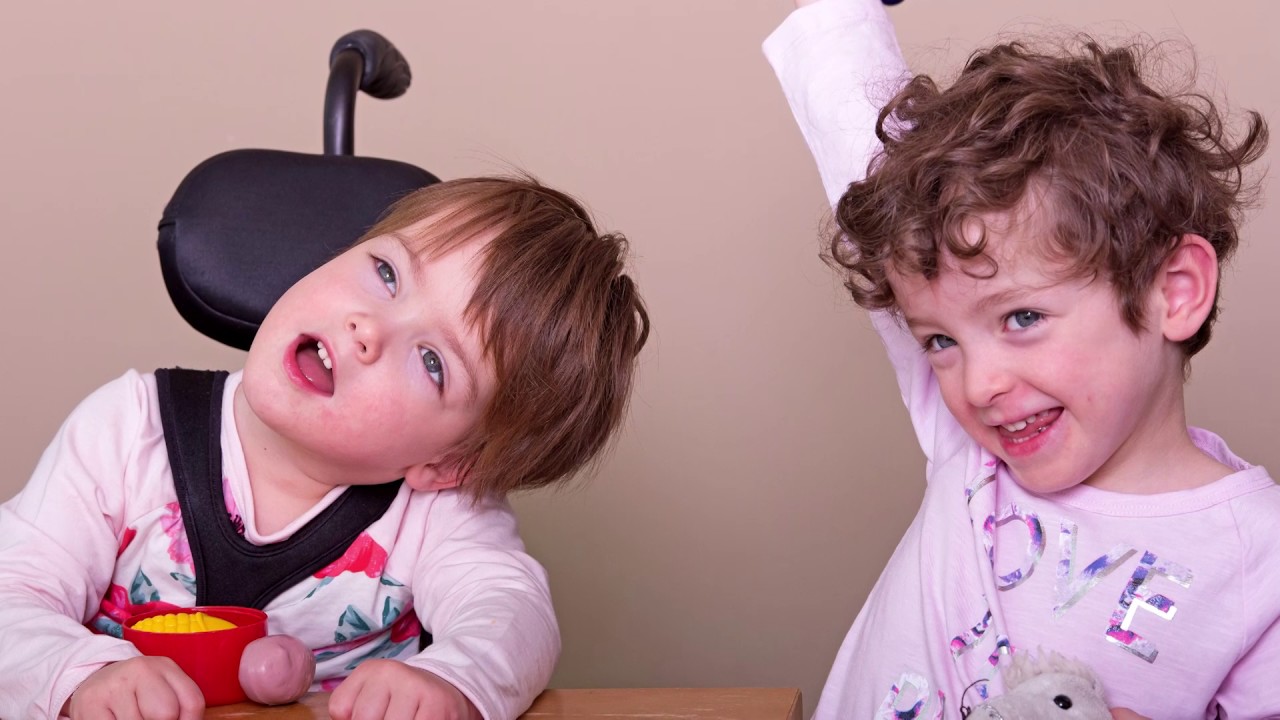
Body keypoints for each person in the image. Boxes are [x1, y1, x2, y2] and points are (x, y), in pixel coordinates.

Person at [764, 0, 1278, 716]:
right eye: (939, 341)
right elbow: (866, 160)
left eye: (1022, 317)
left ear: (1174, 289)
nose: (977, 384)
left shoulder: (1262, 563)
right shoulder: (972, 456)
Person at [0, 176, 649, 720]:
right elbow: (10, 593)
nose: (369, 327)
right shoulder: (127, 432)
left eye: (431, 361)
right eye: (386, 272)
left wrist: (452, 682)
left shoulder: (438, 517)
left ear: (445, 465)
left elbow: (515, 614)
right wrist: (75, 674)